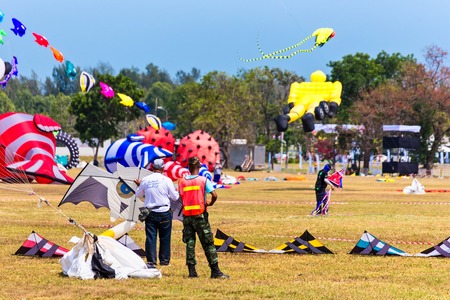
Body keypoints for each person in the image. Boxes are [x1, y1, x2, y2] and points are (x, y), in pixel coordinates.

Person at [178, 156, 229, 279]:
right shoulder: (203, 180)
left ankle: (192, 272)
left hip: (187, 217)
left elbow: (181, 198)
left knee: (190, 243)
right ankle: (215, 271)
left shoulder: (182, 181)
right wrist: (210, 203)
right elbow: (214, 195)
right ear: (199, 167)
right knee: (208, 243)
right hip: (200, 216)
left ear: (189, 167)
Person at [134, 158, 179, 268]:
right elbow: (174, 197)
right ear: (163, 168)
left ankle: (151, 261)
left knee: (150, 237)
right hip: (164, 211)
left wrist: (140, 185)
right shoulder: (166, 180)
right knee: (165, 237)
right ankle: (164, 261)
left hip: (150, 213)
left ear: (152, 168)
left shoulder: (145, 180)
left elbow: (138, 195)